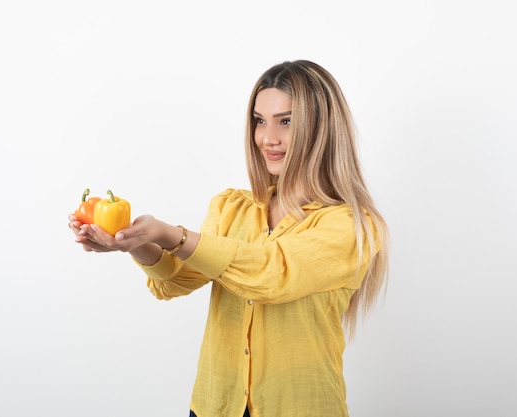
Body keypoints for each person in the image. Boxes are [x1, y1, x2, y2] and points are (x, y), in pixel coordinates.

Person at [68, 59, 389, 417]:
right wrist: (136, 242)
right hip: (215, 406)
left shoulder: (351, 225)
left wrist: (169, 233)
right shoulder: (233, 207)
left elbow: (271, 275)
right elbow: (178, 279)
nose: (268, 137)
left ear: (323, 128)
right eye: (259, 120)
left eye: (286, 121)